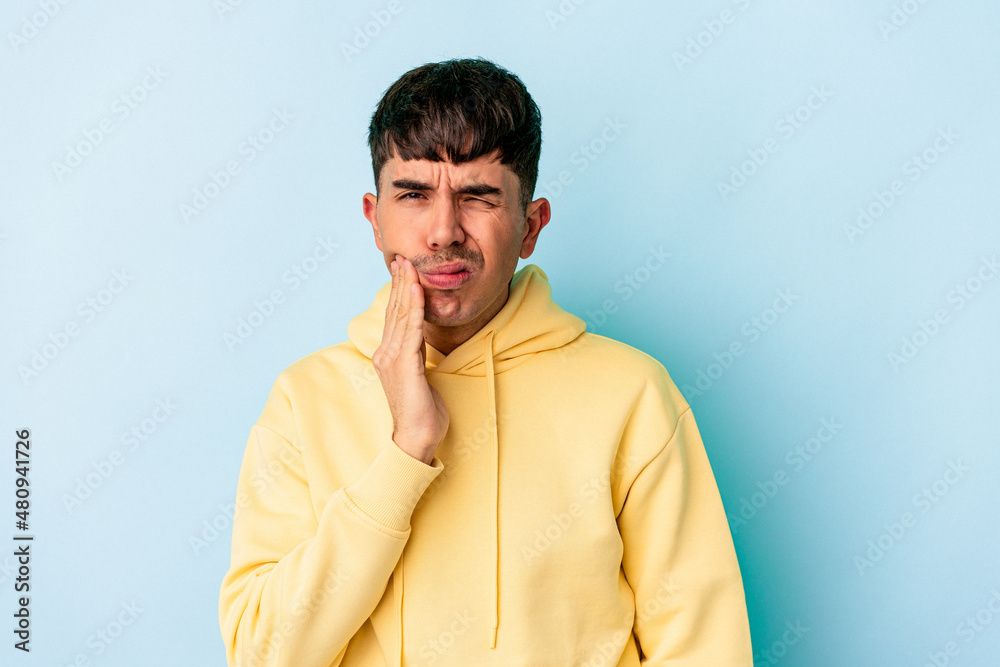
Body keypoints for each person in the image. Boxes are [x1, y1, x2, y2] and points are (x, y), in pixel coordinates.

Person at [218, 56, 753, 666]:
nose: (444, 231)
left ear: (531, 226)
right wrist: (405, 452)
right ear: (375, 219)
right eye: (414, 195)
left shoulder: (633, 394)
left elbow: (705, 648)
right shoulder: (303, 399)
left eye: (478, 196)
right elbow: (263, 655)